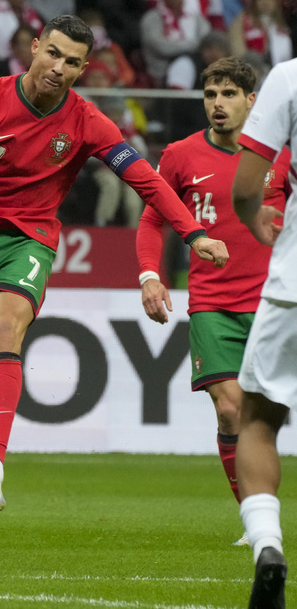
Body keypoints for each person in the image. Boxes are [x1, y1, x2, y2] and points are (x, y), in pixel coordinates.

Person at [0, 14, 229, 563]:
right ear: (35, 48)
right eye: (54, 55)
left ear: (83, 69)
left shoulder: (89, 122)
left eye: (73, 63)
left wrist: (192, 233)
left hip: (29, 240)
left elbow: (145, 178)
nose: (60, 68)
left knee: (5, 325)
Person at [137, 57, 290, 547]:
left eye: (229, 94)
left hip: (276, 302)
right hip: (213, 304)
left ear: (252, 101)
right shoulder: (181, 156)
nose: (218, 104)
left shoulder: (280, 156)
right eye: (210, 95)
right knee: (230, 411)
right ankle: (255, 520)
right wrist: (150, 276)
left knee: (262, 414)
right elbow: (152, 220)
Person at [230, 0, 297, 608]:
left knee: (258, 419)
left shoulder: (288, 77)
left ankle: (269, 547)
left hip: (293, 285)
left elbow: (247, 184)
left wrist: (258, 222)